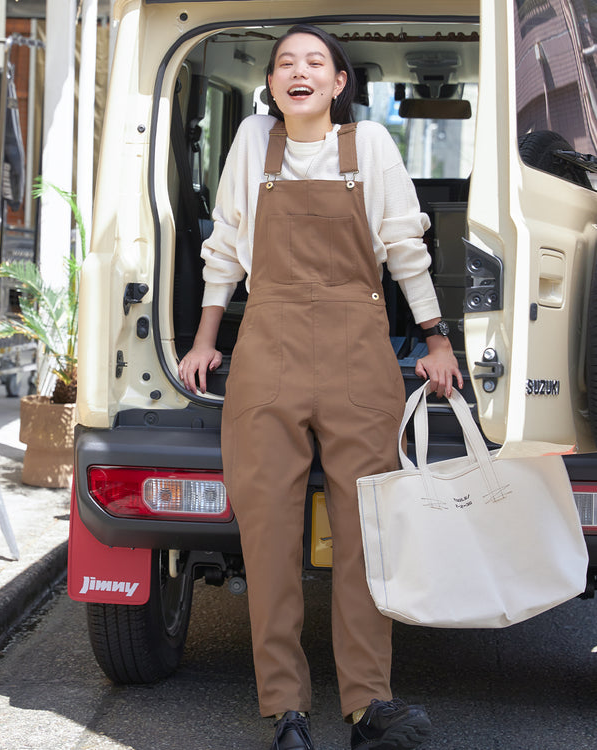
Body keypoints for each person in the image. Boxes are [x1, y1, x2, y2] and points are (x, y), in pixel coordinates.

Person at [178, 24, 463, 750]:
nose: (297, 72)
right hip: (266, 353)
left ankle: (368, 705)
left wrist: (435, 340)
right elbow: (225, 245)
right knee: (268, 534)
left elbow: (404, 244)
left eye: (314, 63)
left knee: (367, 531)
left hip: (356, 357)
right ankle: (287, 709)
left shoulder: (369, 146)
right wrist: (207, 339)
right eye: (284, 64)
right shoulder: (251, 143)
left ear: (340, 84)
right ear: (271, 85)